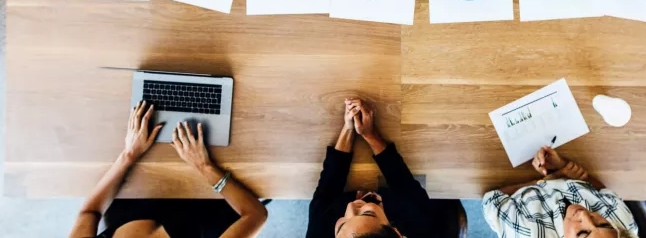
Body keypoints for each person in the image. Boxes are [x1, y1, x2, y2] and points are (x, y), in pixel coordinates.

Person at [68, 101, 268, 238]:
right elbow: (256, 215)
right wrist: (204, 166)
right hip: (205, 202)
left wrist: (129, 154)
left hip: (138, 193)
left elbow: (89, 212)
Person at [306, 98, 434, 238]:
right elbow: (402, 182)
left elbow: (326, 192)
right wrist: (371, 134)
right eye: (368, 213)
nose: (350, 208)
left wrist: (348, 129)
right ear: (398, 233)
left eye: (341, 226)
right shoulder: (420, 227)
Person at [482, 145, 639, 238]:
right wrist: (566, 167)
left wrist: (551, 178)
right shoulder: (623, 225)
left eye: (582, 233)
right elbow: (600, 189)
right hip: (563, 159)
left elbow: (493, 196)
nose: (584, 215)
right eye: (602, 223)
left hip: (510, 170)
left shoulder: (526, 232)